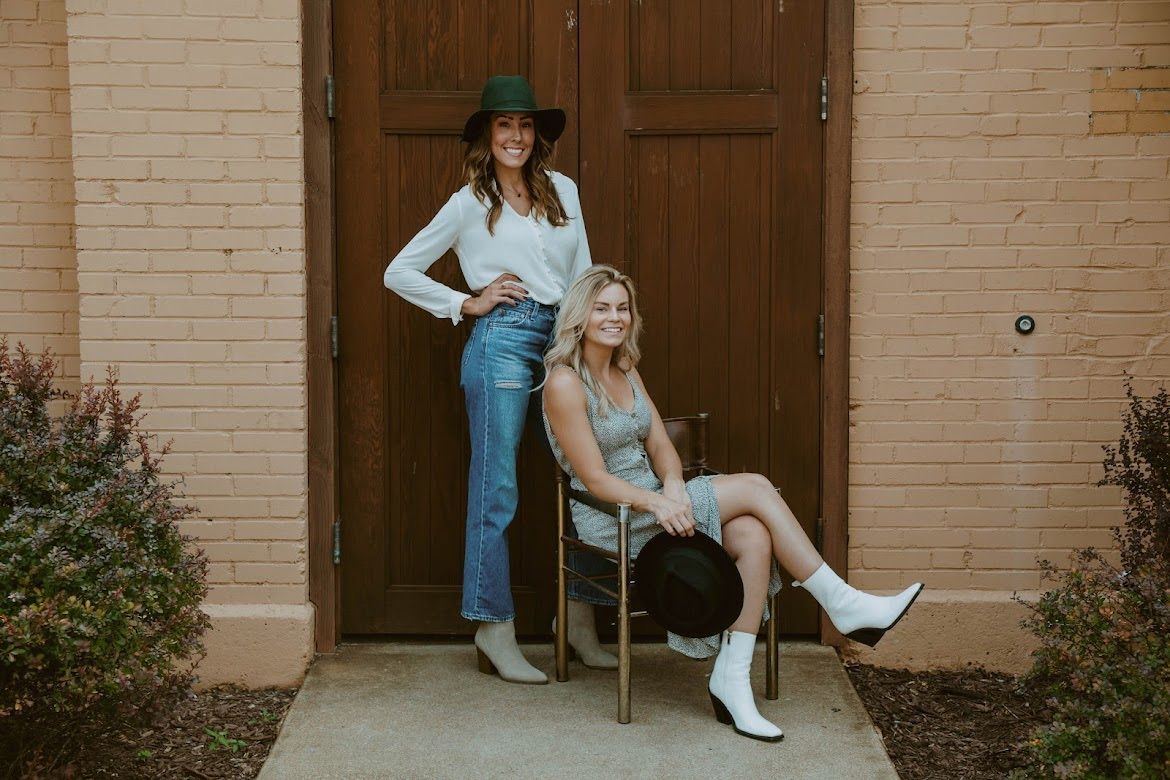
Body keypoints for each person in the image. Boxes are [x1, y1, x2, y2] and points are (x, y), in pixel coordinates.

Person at [542, 266, 924, 741]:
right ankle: (841, 603)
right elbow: (595, 479)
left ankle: (731, 678)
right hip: (615, 517)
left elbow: (661, 445)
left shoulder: (624, 368)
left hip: (660, 499)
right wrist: (656, 503)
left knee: (754, 535)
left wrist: (675, 486)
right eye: (602, 308)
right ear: (580, 316)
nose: (614, 317)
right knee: (756, 486)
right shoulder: (564, 383)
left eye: (622, 307)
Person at [383, 75, 611, 685]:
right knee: (498, 487)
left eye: (526, 125)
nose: (516, 135)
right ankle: (493, 626)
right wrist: (467, 303)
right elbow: (397, 272)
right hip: (503, 344)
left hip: (561, 343)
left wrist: (592, 345)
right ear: (487, 134)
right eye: (505, 124)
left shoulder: (563, 191)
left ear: (537, 136)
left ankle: (581, 622)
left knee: (583, 475)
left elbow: (584, 272)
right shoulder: (468, 204)